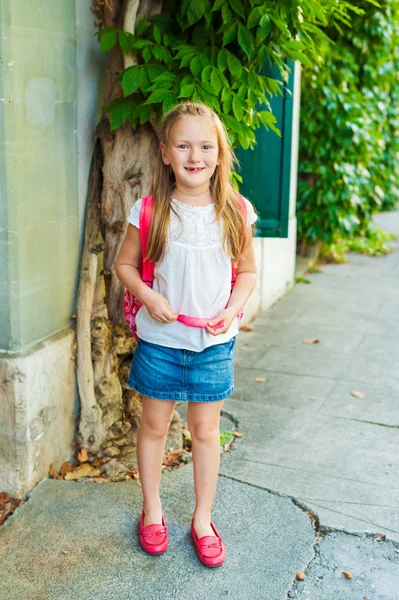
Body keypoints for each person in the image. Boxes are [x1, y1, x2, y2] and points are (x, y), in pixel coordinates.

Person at [115, 102, 258, 567]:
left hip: (212, 346)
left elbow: (249, 273)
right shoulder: (151, 210)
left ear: (219, 155)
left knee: (205, 432)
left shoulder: (235, 210)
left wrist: (233, 308)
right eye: (183, 145)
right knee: (155, 426)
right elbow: (125, 265)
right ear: (164, 152)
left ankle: (202, 519)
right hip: (160, 342)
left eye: (205, 146)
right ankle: (153, 510)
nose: (194, 156)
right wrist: (148, 296)